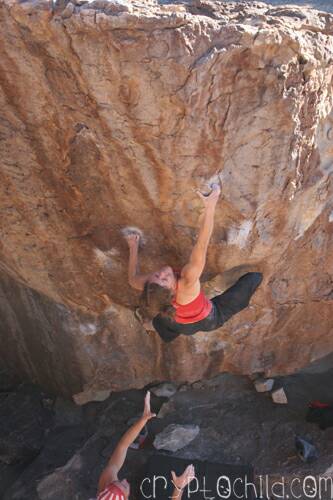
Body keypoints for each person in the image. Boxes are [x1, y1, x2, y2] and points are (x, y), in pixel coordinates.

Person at [126, 184, 262, 343]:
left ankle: (150, 326)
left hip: (178, 323)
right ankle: (256, 279)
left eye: (157, 275)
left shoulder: (152, 286)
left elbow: (132, 278)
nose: (162, 273)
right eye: (165, 279)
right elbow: (202, 244)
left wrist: (133, 247)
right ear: (171, 290)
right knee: (254, 279)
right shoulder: (188, 281)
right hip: (210, 319)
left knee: (163, 322)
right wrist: (210, 205)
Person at [97, 392, 195, 500]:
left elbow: (123, 446)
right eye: (124, 486)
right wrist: (178, 487)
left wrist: (143, 420)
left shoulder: (106, 484)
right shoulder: (108, 490)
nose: (124, 480)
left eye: (117, 481)